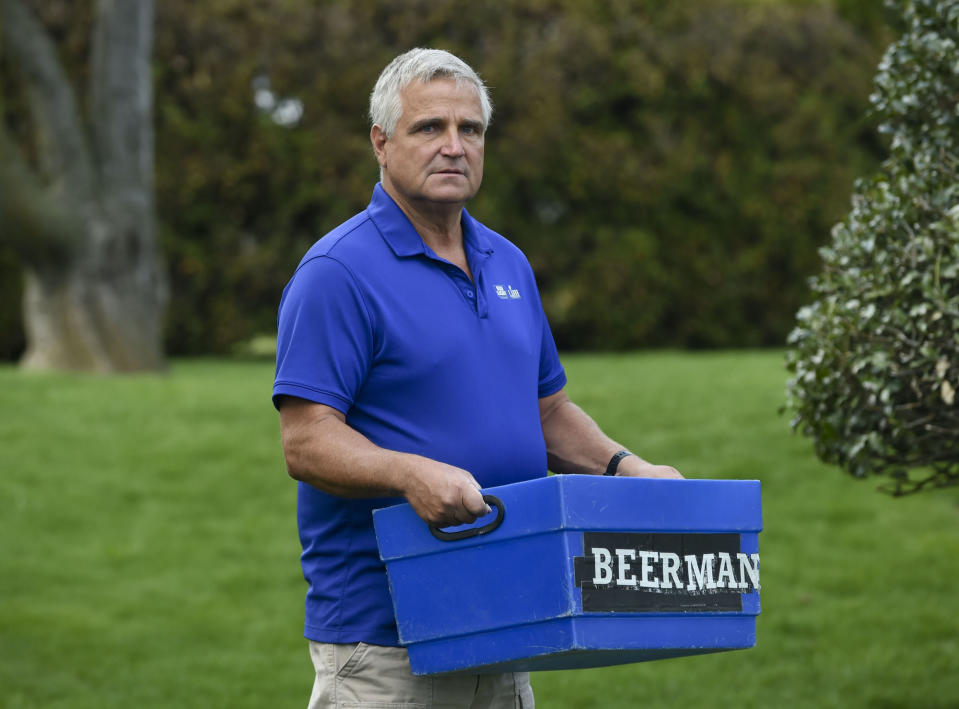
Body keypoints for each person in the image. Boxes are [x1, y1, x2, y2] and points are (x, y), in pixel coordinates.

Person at [273, 47, 683, 709]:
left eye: (470, 130)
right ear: (380, 142)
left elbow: (546, 412)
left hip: (504, 617)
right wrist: (411, 473)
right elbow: (306, 441)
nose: (453, 146)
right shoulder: (337, 272)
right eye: (429, 127)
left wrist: (627, 469)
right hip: (386, 643)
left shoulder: (507, 261)